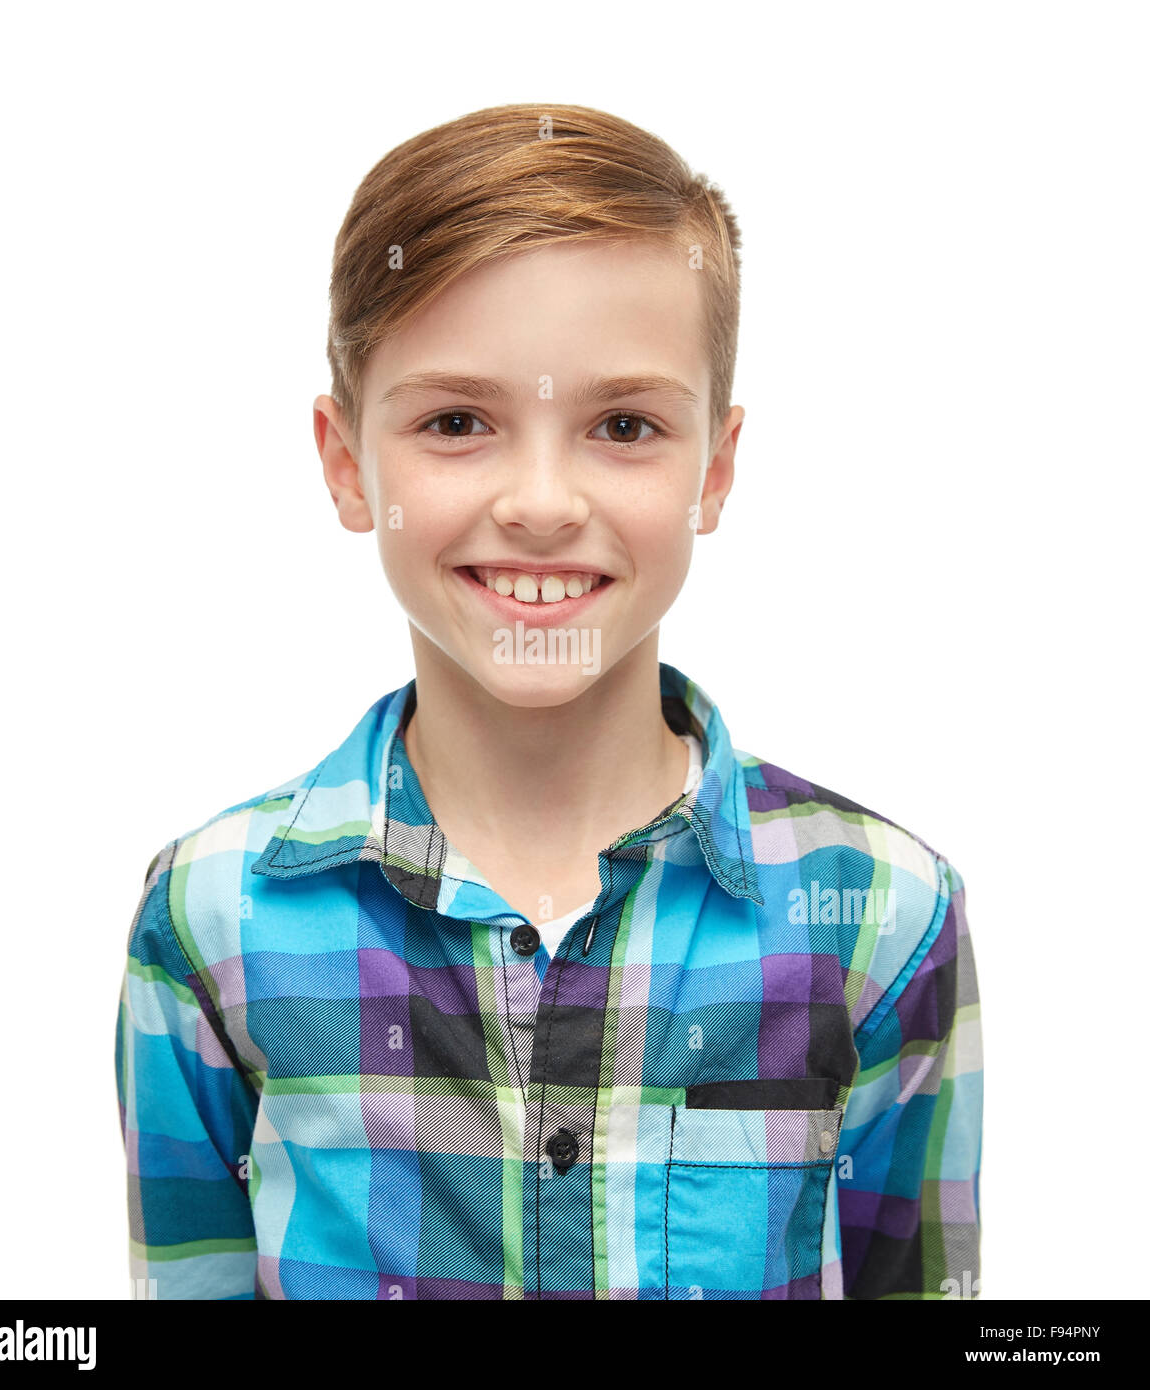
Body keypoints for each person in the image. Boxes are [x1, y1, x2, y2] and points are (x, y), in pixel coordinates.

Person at [115, 102, 982, 1300]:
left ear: (712, 470)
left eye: (621, 425)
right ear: (345, 461)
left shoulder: (881, 916)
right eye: (457, 422)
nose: (538, 501)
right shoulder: (209, 918)